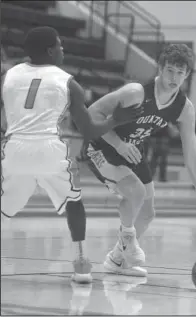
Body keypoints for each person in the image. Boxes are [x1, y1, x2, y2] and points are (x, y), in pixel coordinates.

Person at [1, 26, 143, 284]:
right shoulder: (68, 82)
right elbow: (88, 130)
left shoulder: (9, 75)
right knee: (74, 202)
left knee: (3, 207)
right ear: (50, 50)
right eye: (59, 45)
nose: (63, 50)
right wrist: (114, 120)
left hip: (14, 148)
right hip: (49, 149)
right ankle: (80, 264)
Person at [80, 43, 196, 277]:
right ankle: (128, 241)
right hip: (102, 145)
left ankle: (118, 260)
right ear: (161, 69)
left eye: (180, 72)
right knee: (135, 192)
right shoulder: (136, 92)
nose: (174, 77)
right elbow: (91, 114)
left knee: (148, 213)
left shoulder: (184, 108)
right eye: (170, 70)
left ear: (187, 75)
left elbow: (192, 153)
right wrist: (119, 144)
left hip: (132, 150)